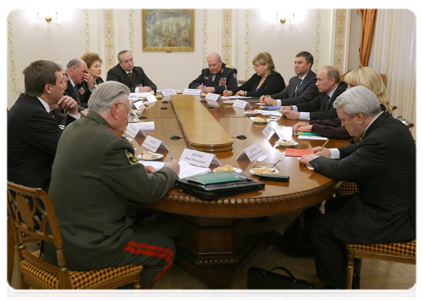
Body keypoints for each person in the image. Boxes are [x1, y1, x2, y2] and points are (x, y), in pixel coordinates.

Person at [43, 81, 180, 299]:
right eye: (128, 109)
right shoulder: (111, 142)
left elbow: (95, 166)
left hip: (56, 240)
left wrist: (133, 169)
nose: (129, 115)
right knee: (166, 249)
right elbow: (150, 191)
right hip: (86, 248)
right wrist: (171, 170)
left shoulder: (73, 128)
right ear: (115, 109)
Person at [299, 86, 419, 300]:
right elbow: (361, 149)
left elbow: (341, 171)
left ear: (360, 117)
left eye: (344, 121)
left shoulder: (381, 139)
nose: (343, 125)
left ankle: (335, 290)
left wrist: (315, 160)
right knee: (335, 206)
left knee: (319, 227)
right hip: (393, 202)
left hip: (395, 218)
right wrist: (331, 152)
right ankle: (347, 274)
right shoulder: (386, 124)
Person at [5, 60, 80, 191]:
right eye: (61, 82)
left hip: (29, 182)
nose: (64, 86)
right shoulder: (33, 114)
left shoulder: (29, 102)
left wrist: (72, 114)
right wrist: (74, 115)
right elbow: (68, 150)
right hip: (34, 193)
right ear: (48, 88)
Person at [292, 67, 390, 139]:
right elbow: (339, 121)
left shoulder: (377, 111)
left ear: (366, 88)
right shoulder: (366, 106)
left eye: (351, 86)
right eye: (347, 85)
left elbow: (345, 131)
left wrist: (313, 127)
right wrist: (310, 123)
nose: (347, 89)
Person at [281, 66, 347, 120]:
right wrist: (292, 108)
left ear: (332, 81)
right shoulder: (324, 91)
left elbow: (330, 115)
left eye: (320, 80)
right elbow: (311, 105)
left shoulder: (342, 92)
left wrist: (299, 115)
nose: (316, 84)